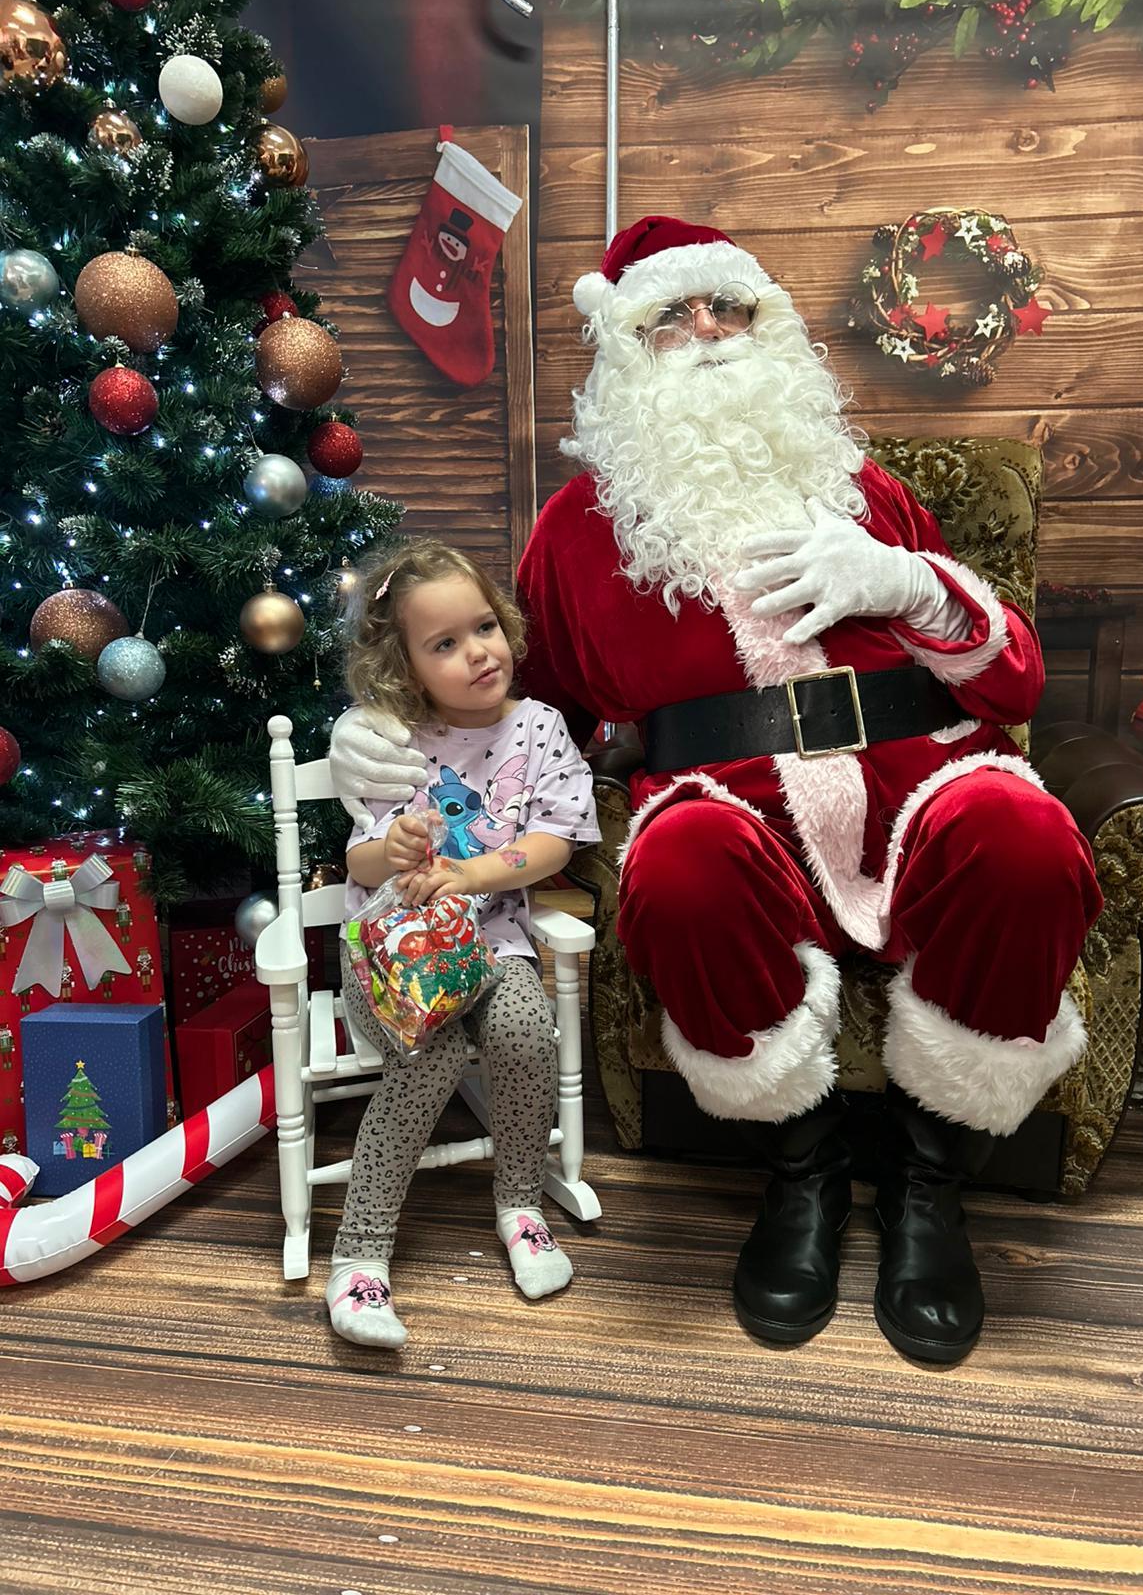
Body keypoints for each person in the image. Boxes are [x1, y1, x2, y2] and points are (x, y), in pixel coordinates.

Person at [330, 216, 1102, 1365]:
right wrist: (380, 727)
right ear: (625, 349)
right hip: (737, 810)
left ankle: (930, 1180)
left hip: (924, 781)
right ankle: (802, 1171)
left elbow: (1015, 678)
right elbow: (515, 713)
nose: (707, 331)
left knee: (1029, 838)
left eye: (728, 307)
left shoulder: (864, 488)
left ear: (766, 324)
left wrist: (906, 582)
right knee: (678, 869)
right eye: (670, 315)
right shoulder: (577, 534)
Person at [326, 537, 600, 1350]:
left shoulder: (540, 728)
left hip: (496, 944)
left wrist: (472, 872)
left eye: (483, 627)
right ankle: (360, 1253)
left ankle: (520, 1204)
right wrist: (394, 849)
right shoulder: (395, 740)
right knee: (431, 1055)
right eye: (444, 643)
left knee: (524, 1031)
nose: (478, 652)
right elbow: (357, 861)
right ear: (407, 667)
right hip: (395, 953)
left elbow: (554, 839)